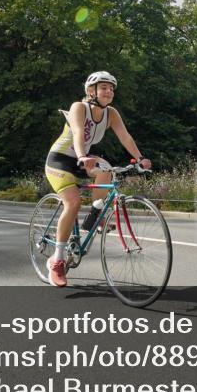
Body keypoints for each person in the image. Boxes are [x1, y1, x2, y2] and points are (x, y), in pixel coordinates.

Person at [44, 71, 151, 287]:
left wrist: (140, 158)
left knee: (108, 170)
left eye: (111, 88)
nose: (109, 91)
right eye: (104, 87)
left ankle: (94, 215)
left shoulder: (111, 114)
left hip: (85, 158)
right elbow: (77, 132)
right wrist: (82, 156)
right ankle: (57, 260)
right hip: (61, 159)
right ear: (91, 91)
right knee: (73, 202)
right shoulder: (79, 107)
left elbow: (125, 136)